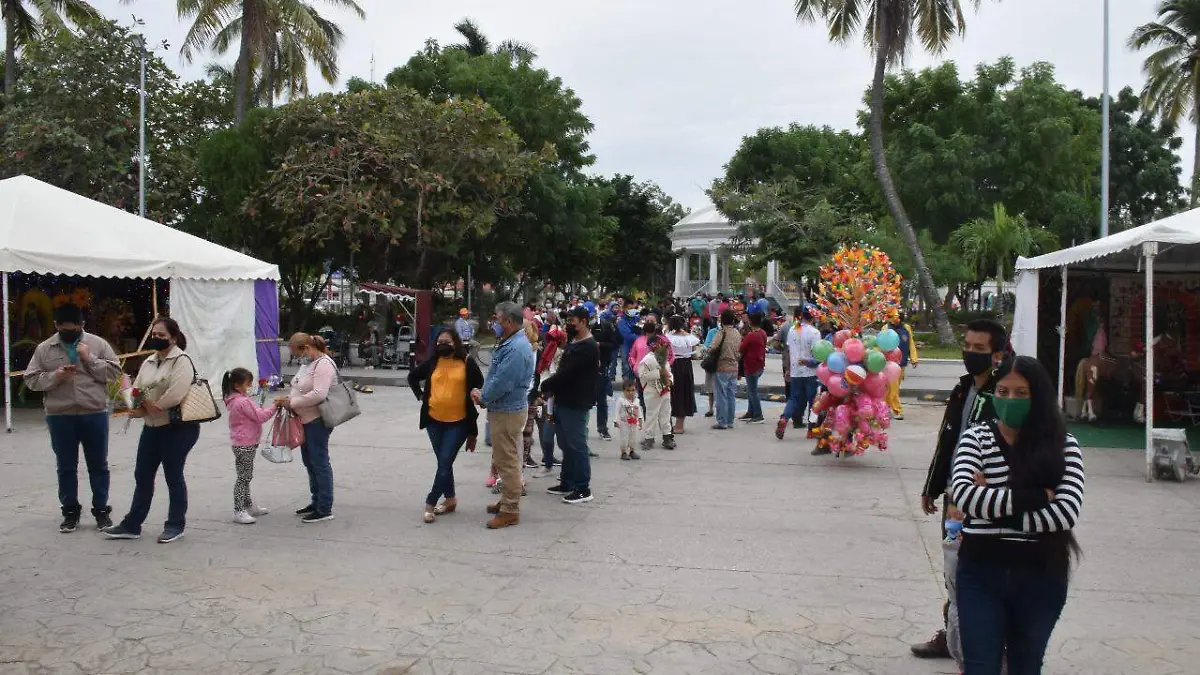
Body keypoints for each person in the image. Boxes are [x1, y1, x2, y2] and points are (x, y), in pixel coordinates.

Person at [951, 355, 1085, 675]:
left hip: (1041, 574)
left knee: (1026, 666)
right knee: (980, 666)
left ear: (1038, 395)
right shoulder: (976, 438)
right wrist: (1037, 496)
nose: (1010, 400)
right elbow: (964, 496)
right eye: (1003, 392)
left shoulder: (1064, 446)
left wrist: (990, 511)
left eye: (1021, 393)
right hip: (981, 572)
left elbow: (1065, 513)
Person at [911, 318, 1007, 660]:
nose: (970, 353)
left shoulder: (1004, 394)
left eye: (979, 349)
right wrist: (932, 486)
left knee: (984, 571)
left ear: (997, 354)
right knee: (954, 568)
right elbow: (946, 440)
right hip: (955, 499)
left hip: (986, 501)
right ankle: (952, 634)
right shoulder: (963, 388)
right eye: (967, 346)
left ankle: (991, 643)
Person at [24, 303, 121, 533]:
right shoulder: (44, 349)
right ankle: (70, 511)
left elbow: (115, 373)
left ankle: (101, 511)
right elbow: (30, 379)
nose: (70, 331)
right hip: (60, 415)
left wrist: (90, 359)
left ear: (82, 325)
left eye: (74, 328)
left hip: (93, 413)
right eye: (64, 328)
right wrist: (55, 377)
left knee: (98, 464)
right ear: (56, 326)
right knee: (66, 466)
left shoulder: (97, 344)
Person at [103, 318, 202, 543]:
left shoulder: (181, 360)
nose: (155, 338)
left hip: (177, 428)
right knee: (142, 475)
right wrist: (132, 401)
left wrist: (151, 406)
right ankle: (132, 524)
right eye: (154, 334)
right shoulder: (149, 360)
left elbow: (175, 395)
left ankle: (175, 525)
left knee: (173, 476)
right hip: (152, 426)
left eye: (160, 335)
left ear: (173, 337)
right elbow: (137, 388)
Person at [409, 328, 484, 524]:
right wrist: (420, 395)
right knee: (444, 463)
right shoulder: (433, 362)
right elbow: (413, 376)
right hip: (434, 421)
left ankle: (430, 502)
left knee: (444, 461)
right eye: (439, 341)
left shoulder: (466, 362)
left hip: (458, 423)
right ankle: (450, 499)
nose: (442, 344)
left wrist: (475, 394)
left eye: (447, 341)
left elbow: (480, 383)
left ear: (456, 343)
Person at [473, 302, 536, 529]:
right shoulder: (512, 343)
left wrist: (483, 397)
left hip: (508, 410)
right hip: (505, 408)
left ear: (508, 322)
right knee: (503, 458)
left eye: (497, 320)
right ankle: (507, 500)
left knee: (507, 461)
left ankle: (510, 508)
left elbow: (502, 382)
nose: (494, 324)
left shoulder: (516, 348)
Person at [539, 307, 599, 504]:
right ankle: (567, 481)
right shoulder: (575, 342)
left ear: (583, 321)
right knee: (565, 443)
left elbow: (568, 373)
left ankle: (583, 488)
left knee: (577, 445)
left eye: (572, 320)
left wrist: (546, 385)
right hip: (563, 399)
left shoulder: (587, 346)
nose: (568, 324)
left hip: (576, 401)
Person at [282, 333, 338, 523]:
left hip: (317, 419)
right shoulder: (308, 363)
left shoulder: (323, 364)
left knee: (319, 461)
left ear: (306, 348)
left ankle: (324, 507)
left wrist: (293, 402)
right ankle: (316, 501)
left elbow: (319, 394)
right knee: (310, 461)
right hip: (304, 419)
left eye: (297, 354)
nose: (297, 358)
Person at [221, 367, 278, 525]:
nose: (250, 386)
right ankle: (239, 510)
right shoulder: (242, 401)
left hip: (242, 442)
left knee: (245, 475)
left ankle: (248, 505)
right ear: (238, 386)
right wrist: (275, 406)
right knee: (243, 478)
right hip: (245, 443)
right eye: (248, 383)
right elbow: (261, 416)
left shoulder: (233, 399)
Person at [776, 306, 820, 440]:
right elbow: (818, 354)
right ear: (812, 318)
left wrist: (789, 369)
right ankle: (812, 429)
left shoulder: (792, 330)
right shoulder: (815, 332)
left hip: (796, 371)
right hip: (811, 372)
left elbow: (789, 351)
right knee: (813, 402)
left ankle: (784, 418)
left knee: (793, 399)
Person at [637, 335, 675, 450]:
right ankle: (649, 438)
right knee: (651, 415)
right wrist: (659, 374)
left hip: (665, 390)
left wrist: (670, 380)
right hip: (652, 390)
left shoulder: (664, 358)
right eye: (658, 344)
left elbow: (669, 372)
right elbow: (642, 375)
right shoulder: (647, 360)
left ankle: (667, 437)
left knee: (666, 413)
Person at [666, 315, 699, 434]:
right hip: (686, 365)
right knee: (684, 392)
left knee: (672, 393)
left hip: (673, 365)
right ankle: (679, 425)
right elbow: (695, 354)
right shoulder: (690, 337)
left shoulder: (668, 338)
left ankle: (670, 424)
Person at [710, 310, 742, 430]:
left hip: (722, 366)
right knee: (731, 395)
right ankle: (730, 421)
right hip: (734, 366)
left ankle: (722, 421)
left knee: (721, 395)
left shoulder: (721, 332)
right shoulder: (737, 333)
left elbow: (713, 347)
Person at [592, 304, 618, 442]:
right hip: (583, 368)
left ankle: (602, 428)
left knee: (601, 399)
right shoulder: (578, 328)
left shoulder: (606, 327)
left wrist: (599, 345)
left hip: (601, 368)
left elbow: (613, 344)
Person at [886, 315, 919, 420]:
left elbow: (911, 344)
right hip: (889, 364)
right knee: (892, 388)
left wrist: (914, 358)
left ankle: (885, 409)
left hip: (902, 363)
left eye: (896, 317)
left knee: (893, 388)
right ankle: (897, 410)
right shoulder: (886, 328)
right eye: (891, 317)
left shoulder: (906, 328)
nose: (894, 319)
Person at [738, 312, 768, 424]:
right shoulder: (763, 333)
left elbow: (741, 348)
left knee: (752, 391)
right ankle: (751, 411)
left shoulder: (751, 335)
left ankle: (758, 414)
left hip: (751, 366)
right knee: (751, 390)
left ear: (750, 322)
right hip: (759, 364)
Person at [615, 379, 643, 460]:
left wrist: (640, 421)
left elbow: (639, 411)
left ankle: (632, 451)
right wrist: (616, 421)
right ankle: (623, 452)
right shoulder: (621, 400)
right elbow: (617, 411)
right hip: (624, 423)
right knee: (624, 439)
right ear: (623, 391)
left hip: (633, 423)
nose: (630, 392)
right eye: (628, 390)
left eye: (633, 390)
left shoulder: (637, 401)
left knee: (633, 438)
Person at [616, 299, 642, 380]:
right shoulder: (622, 321)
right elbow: (627, 336)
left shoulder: (638, 319)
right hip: (626, 346)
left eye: (634, 308)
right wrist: (641, 338)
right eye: (630, 309)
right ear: (624, 309)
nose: (632, 311)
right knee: (626, 363)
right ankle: (627, 380)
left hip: (637, 347)